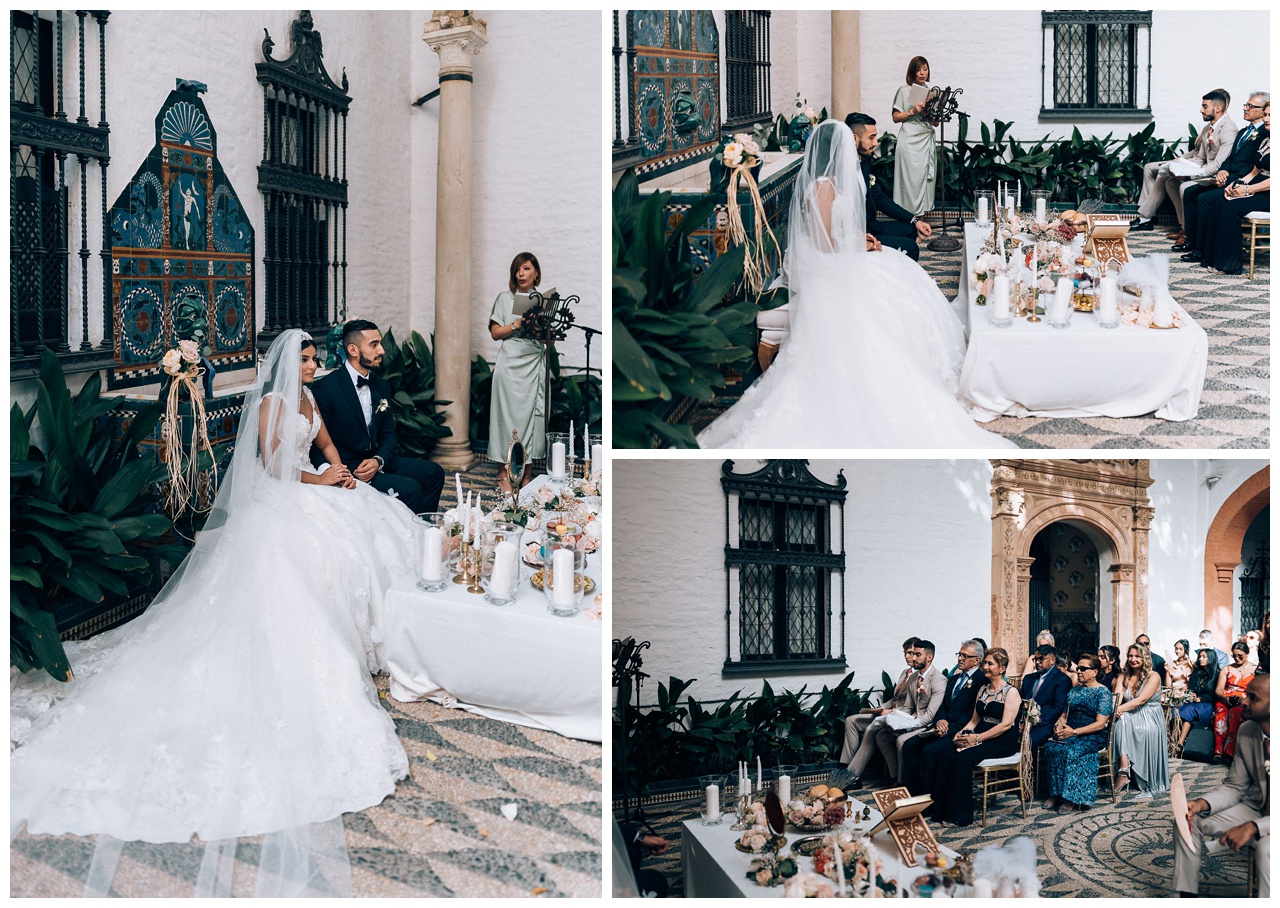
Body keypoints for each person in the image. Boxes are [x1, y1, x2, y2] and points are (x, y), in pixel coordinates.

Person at [11, 330, 420, 890]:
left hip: (322, 485)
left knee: (375, 523)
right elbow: (278, 468)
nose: (313, 364)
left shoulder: (310, 398)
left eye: (314, 358)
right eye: (305, 358)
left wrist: (341, 471)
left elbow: (323, 440)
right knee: (316, 555)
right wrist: (321, 479)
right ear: (284, 364)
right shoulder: (274, 405)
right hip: (289, 496)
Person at [695, 120, 1013, 449]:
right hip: (825, 268)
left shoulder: (830, 181)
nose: (853, 152)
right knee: (893, 286)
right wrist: (858, 245)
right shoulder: (822, 186)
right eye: (848, 145)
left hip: (836, 256)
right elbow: (823, 243)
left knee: (902, 271)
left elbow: (833, 231)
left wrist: (859, 238)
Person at [310, 318, 445, 514]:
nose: (381, 350)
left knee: (434, 473)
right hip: (349, 468)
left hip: (375, 461)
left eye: (380, 343)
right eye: (374, 345)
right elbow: (316, 443)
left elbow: (389, 433)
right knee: (411, 489)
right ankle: (416, 535)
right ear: (353, 350)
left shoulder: (381, 385)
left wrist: (378, 460)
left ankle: (425, 528)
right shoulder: (326, 389)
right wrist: (333, 473)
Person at [1174, 675, 1270, 898]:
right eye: (1245, 694)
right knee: (1187, 821)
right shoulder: (1247, 731)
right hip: (1261, 807)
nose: (1242, 701)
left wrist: (1255, 828)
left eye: (1252, 698)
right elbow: (1235, 786)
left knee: (1266, 849)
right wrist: (1202, 803)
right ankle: (1187, 896)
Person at [920, 648, 1022, 828]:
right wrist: (962, 734)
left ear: (1002, 668)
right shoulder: (983, 689)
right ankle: (942, 810)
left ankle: (961, 816)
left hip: (1002, 740)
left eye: (990, 663)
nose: (986, 667)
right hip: (980, 733)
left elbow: (1005, 725)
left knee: (962, 758)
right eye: (985, 663)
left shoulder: (1011, 692)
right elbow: (974, 720)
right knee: (945, 752)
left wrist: (976, 739)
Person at [1131, 89, 1237, 238]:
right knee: (1163, 176)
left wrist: (1188, 174)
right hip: (1199, 167)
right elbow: (1199, 156)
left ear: (1218, 108)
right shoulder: (1208, 127)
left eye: (1204, 106)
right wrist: (1179, 164)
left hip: (1214, 174)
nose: (1201, 110)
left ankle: (1182, 229)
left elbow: (1218, 166)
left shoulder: (1229, 130)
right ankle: (1176, 225)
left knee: (1173, 182)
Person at [1174, 92, 1270, 253]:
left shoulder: (1266, 133)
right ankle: (1193, 240)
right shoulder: (1243, 132)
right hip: (1231, 175)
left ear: (1262, 111)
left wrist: (1230, 180)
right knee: (1191, 193)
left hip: (1243, 179)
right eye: (1246, 105)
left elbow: (1253, 165)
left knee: (1205, 198)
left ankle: (1202, 248)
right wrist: (1223, 170)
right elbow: (1230, 157)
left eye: (1250, 106)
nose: (1245, 109)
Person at [848, 639, 946, 785]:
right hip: (912, 720)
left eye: (917, 655)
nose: (913, 658)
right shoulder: (913, 677)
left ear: (929, 657)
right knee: (882, 736)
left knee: (901, 740)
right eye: (912, 654)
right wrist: (895, 721)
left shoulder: (939, 680)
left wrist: (907, 726)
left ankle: (902, 783)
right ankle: (894, 777)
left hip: (927, 724)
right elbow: (907, 707)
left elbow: (930, 715)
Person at [487, 251, 549, 469]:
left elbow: (548, 342)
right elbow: (495, 333)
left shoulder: (543, 302)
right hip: (510, 362)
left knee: (531, 418)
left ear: (536, 273)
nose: (521, 274)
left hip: (533, 363)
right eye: (517, 269)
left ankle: (527, 471)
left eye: (526, 268)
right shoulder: (505, 298)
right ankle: (504, 472)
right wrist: (518, 323)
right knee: (506, 417)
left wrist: (544, 330)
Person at [844, 112, 932, 260]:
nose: (876, 142)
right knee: (911, 248)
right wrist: (860, 239)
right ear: (854, 138)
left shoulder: (864, 162)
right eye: (871, 137)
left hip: (871, 226)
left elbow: (880, 199)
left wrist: (915, 220)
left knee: (910, 229)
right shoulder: (842, 171)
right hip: (854, 235)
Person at [902, 639, 984, 796]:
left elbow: (972, 714)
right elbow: (943, 706)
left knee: (929, 751)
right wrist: (940, 720)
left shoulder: (982, 681)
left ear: (976, 660)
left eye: (965, 656)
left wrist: (948, 730)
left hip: (960, 730)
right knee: (909, 745)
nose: (960, 658)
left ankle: (930, 798)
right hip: (942, 725)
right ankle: (914, 793)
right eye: (959, 655)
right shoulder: (953, 679)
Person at [1043, 653, 1115, 813]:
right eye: (1077, 668)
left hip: (1093, 735)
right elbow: (1063, 715)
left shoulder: (1103, 692)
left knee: (1072, 750)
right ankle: (1056, 793)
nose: (1079, 671)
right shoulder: (1074, 691)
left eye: (1083, 668)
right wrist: (1059, 726)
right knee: (1051, 747)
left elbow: (1100, 723)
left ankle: (1072, 798)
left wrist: (1074, 732)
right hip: (1071, 732)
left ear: (1095, 672)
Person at [841, 637, 919, 766]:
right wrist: (880, 708)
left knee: (871, 729)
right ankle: (845, 764)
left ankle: (853, 772)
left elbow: (913, 707)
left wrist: (891, 711)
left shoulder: (920, 677)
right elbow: (895, 698)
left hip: (900, 717)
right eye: (905, 653)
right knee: (851, 721)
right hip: (886, 713)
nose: (907, 656)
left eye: (910, 653)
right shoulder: (905, 672)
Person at [1112, 643, 1170, 796]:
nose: (1133, 659)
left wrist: (1118, 710)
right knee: (1122, 720)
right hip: (1130, 714)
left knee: (1122, 719)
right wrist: (1114, 708)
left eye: (1137, 656)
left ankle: (1127, 772)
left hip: (1149, 716)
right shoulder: (1123, 676)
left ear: (1144, 658)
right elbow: (1116, 698)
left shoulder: (1154, 676)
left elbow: (1141, 701)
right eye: (1130, 656)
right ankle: (1124, 768)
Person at [890, 55, 937, 217]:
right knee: (910, 181)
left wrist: (929, 112)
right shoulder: (904, 90)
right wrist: (913, 111)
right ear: (912, 72)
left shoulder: (931, 92)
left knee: (924, 181)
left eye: (925, 69)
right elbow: (895, 118)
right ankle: (908, 219)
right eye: (918, 70)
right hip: (910, 140)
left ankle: (921, 219)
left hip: (925, 138)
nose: (922, 73)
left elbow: (936, 123)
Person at [1019, 644, 1071, 748]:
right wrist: (1020, 722)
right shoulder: (1028, 678)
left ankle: (1027, 765)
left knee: (1024, 743)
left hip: (1045, 725)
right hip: (1022, 723)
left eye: (1041, 658)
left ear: (1052, 660)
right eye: (1036, 659)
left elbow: (1057, 708)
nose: (1037, 662)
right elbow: (1020, 702)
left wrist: (1035, 723)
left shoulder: (1062, 680)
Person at [1213, 641, 1256, 762]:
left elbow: (1256, 691)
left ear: (1247, 654)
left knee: (1237, 713)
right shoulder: (1227, 669)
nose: (1237, 658)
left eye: (1240, 656)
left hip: (1244, 701)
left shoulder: (1255, 670)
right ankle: (1218, 751)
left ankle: (1232, 752)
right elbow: (1219, 690)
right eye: (1234, 655)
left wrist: (1244, 700)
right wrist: (1226, 698)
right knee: (1221, 712)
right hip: (1226, 698)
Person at [1174, 647, 1220, 754]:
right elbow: (1192, 688)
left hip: (1207, 704)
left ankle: (1180, 743)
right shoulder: (1196, 673)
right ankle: (1174, 740)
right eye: (1200, 656)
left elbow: (1215, 694)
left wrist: (1201, 698)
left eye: (1204, 657)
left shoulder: (1217, 674)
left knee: (1189, 710)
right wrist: (1192, 694)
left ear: (1211, 658)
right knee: (1176, 708)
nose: (1200, 659)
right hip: (1194, 702)